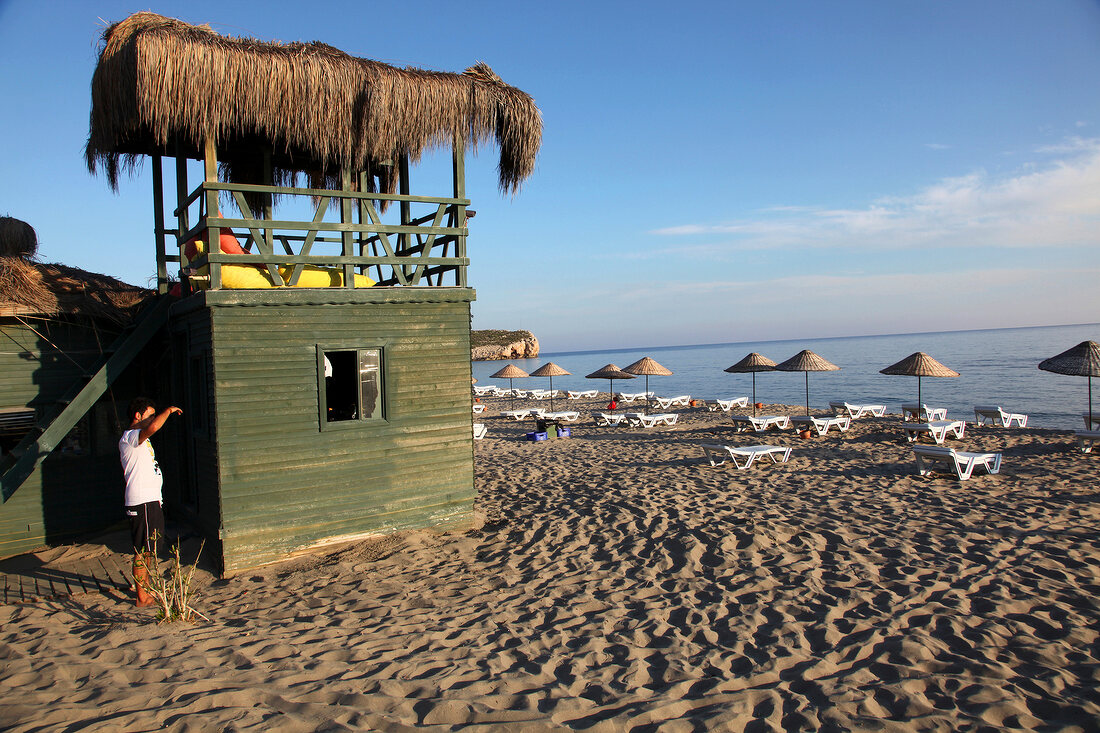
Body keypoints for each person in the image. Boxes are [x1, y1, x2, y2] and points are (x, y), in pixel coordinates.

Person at [118, 397, 182, 607]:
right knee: (141, 551)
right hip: (141, 502)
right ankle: (141, 597)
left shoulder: (140, 439)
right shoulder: (130, 437)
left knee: (148, 550)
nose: (153, 419)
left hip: (151, 500)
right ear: (138, 416)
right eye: (150, 414)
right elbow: (154, 426)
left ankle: (145, 590)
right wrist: (169, 410)